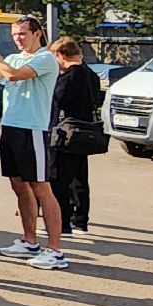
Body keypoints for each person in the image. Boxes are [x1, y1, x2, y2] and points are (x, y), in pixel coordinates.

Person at [0, 16, 68, 269]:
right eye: (15, 34)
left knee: (41, 188)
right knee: (19, 185)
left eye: (23, 33)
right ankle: (29, 240)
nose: (18, 38)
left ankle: (55, 249)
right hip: (11, 126)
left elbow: (14, 76)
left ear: (37, 34)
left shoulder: (46, 58)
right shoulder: (12, 58)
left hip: (33, 128)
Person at [48, 36, 102, 234]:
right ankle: (80, 220)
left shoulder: (68, 77)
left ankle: (61, 222)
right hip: (86, 130)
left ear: (61, 55)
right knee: (80, 177)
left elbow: (57, 99)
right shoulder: (91, 74)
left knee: (59, 177)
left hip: (67, 131)